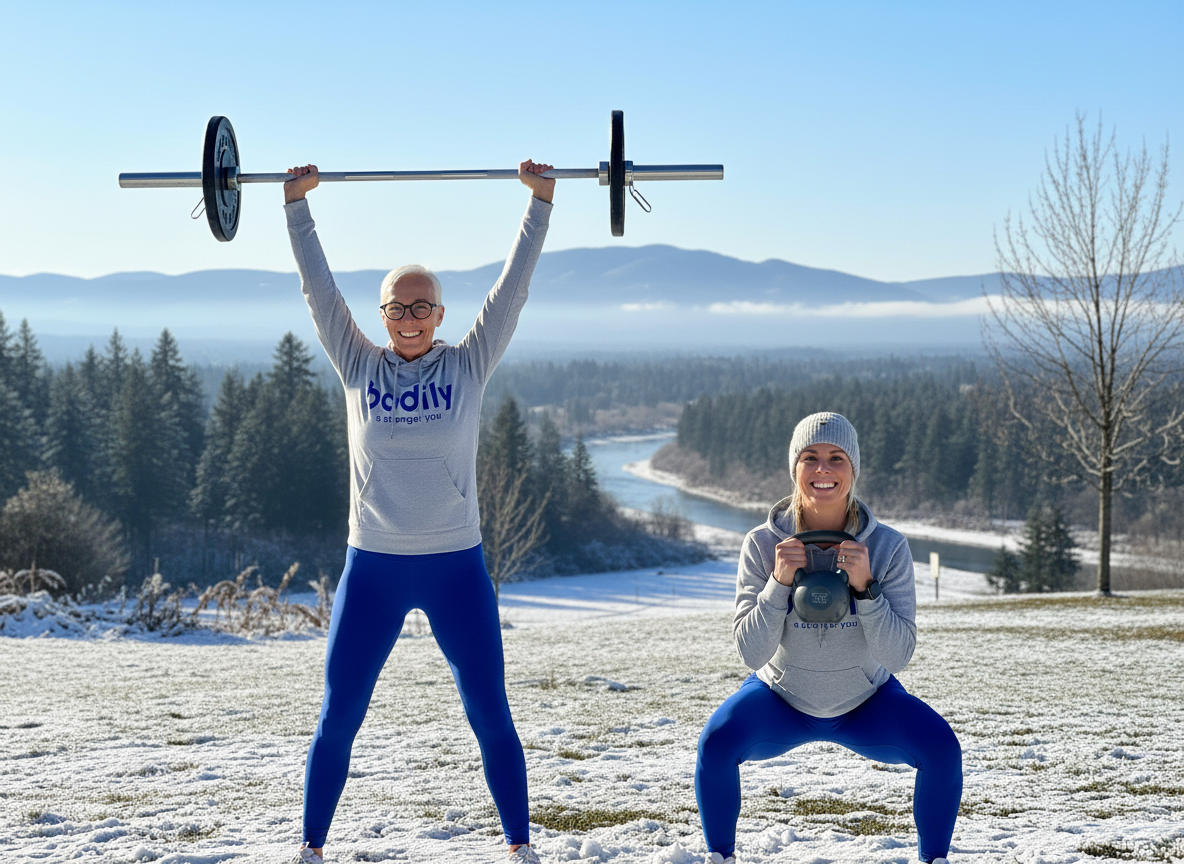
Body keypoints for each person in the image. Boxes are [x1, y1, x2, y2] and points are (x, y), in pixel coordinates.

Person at [281, 159, 555, 864]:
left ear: (440, 314)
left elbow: (512, 290)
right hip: (372, 567)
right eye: (397, 308)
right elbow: (318, 289)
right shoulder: (357, 363)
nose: (409, 318)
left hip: (455, 567)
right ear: (382, 317)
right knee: (339, 715)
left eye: (422, 306)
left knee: (489, 712)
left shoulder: (468, 364)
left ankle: (520, 847)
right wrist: (296, 207)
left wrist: (540, 202)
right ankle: (310, 848)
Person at [694, 412, 962, 864]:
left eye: (837, 458)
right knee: (716, 743)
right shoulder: (762, 544)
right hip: (779, 699)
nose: (823, 469)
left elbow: (898, 655)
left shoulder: (888, 547)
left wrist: (867, 589)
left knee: (942, 749)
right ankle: (720, 857)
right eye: (810, 457)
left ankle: (935, 859)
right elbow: (751, 653)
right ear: (794, 468)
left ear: (853, 468)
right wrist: (778, 583)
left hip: (867, 701)